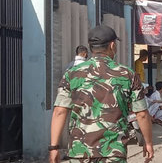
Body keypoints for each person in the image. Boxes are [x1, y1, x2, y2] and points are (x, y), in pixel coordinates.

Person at [49, 25, 154, 163]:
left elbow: (59, 111)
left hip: (79, 152)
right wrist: (148, 143)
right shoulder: (127, 75)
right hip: (114, 152)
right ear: (112, 45)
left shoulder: (72, 74)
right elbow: (141, 114)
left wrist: (54, 147)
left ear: (91, 47)